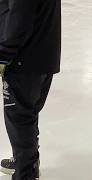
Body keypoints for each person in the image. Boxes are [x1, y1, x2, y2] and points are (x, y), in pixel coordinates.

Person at [0, 0, 61, 179]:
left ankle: (24, 172)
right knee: (28, 115)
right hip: (42, 56)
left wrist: (3, 54)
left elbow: (20, 15)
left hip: (23, 60)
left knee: (19, 119)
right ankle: (27, 162)